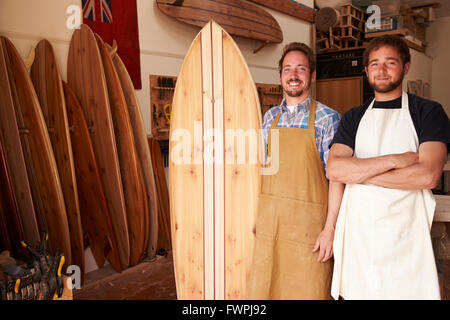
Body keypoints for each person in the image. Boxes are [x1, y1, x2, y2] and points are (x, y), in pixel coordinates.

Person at [328, 35, 450, 299]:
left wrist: (359, 173)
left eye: (390, 63)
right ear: (366, 70)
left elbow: (428, 175)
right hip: (359, 238)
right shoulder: (354, 117)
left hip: (405, 237)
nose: (381, 70)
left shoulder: (428, 112)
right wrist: (395, 160)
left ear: (406, 67)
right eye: (374, 64)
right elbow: (335, 170)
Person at [247, 42, 341, 299]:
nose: (293, 74)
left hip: (309, 231)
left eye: (301, 68)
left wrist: (330, 229)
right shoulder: (269, 118)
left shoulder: (327, 118)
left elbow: (337, 179)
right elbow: (262, 171)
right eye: (288, 69)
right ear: (280, 76)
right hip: (272, 226)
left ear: (311, 75)